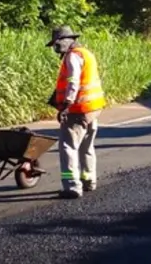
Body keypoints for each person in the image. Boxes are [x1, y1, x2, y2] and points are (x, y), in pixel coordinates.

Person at [47, 26, 107, 199]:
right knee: (86, 147)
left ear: (68, 40)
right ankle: (89, 180)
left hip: (78, 109)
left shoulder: (73, 56)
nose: (55, 47)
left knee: (68, 148)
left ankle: (72, 186)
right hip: (92, 108)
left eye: (57, 43)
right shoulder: (86, 53)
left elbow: (73, 81)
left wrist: (66, 105)